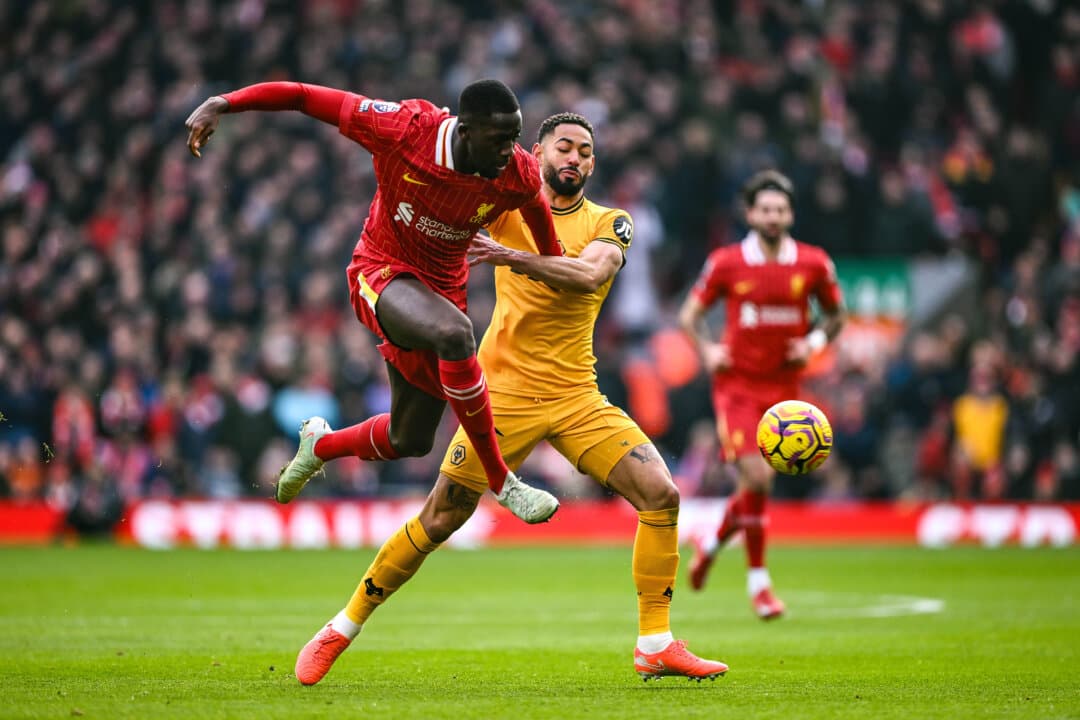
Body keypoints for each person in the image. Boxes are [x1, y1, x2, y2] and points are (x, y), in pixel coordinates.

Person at [290, 112, 729, 686]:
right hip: (504, 395)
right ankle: (339, 629)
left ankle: (655, 643)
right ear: (536, 154)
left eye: (586, 152)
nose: (575, 159)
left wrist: (508, 256)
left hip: (577, 394)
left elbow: (588, 276)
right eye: (564, 147)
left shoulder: (611, 222)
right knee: (442, 516)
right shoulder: (502, 204)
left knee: (661, 495)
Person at [184, 79, 563, 523]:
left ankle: (320, 446)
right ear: (465, 131)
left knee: (410, 439)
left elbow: (535, 200)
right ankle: (503, 482)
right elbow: (304, 97)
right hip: (380, 271)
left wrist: (554, 263)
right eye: (499, 139)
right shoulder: (404, 130)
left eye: (514, 138)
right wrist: (225, 102)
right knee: (457, 335)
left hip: (442, 291)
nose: (509, 150)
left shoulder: (514, 171)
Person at [678, 169, 846, 619]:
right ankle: (759, 584)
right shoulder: (727, 262)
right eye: (765, 209)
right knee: (758, 478)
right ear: (750, 213)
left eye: (780, 209)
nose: (773, 217)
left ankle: (711, 543)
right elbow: (689, 315)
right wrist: (707, 350)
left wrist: (811, 344)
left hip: (785, 390)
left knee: (758, 482)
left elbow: (836, 317)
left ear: (790, 214)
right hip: (737, 385)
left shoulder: (813, 263)